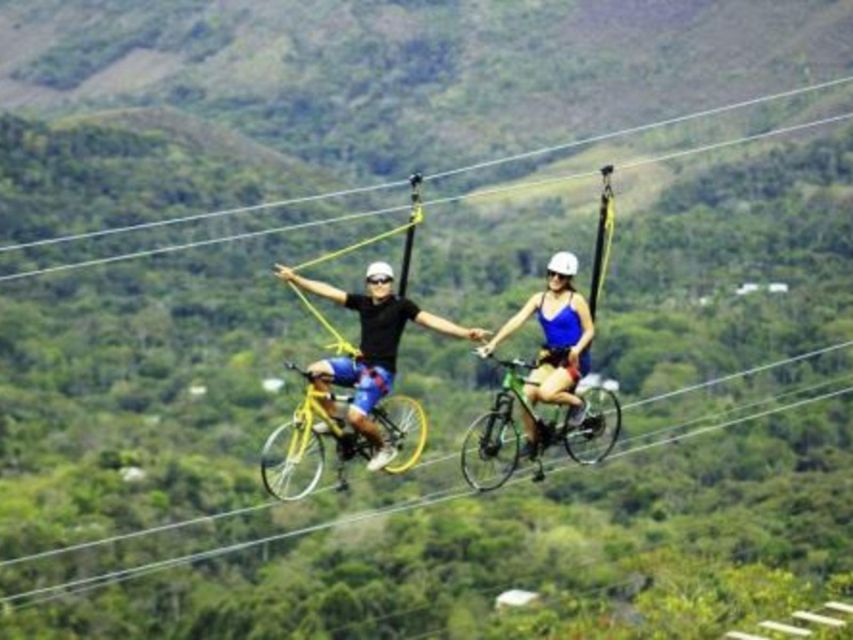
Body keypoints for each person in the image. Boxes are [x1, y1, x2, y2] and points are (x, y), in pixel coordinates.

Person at [275, 260, 489, 471]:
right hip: (359, 365)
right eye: (374, 281)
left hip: (380, 372)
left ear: (390, 282)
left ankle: (384, 448)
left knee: (356, 417)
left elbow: (431, 321)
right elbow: (328, 292)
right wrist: (295, 279)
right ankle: (335, 420)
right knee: (314, 371)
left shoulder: (401, 305)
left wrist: (465, 333)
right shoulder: (364, 303)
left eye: (384, 280)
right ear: (368, 283)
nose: (379, 284)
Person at [477, 251, 594, 458]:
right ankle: (533, 440)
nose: (555, 279)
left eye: (562, 276)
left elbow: (589, 330)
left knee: (547, 394)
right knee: (526, 395)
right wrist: (493, 344)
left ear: (569, 279)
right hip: (550, 357)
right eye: (552, 273)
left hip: (573, 360)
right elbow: (517, 320)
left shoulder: (576, 300)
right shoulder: (539, 299)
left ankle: (578, 404)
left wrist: (577, 348)